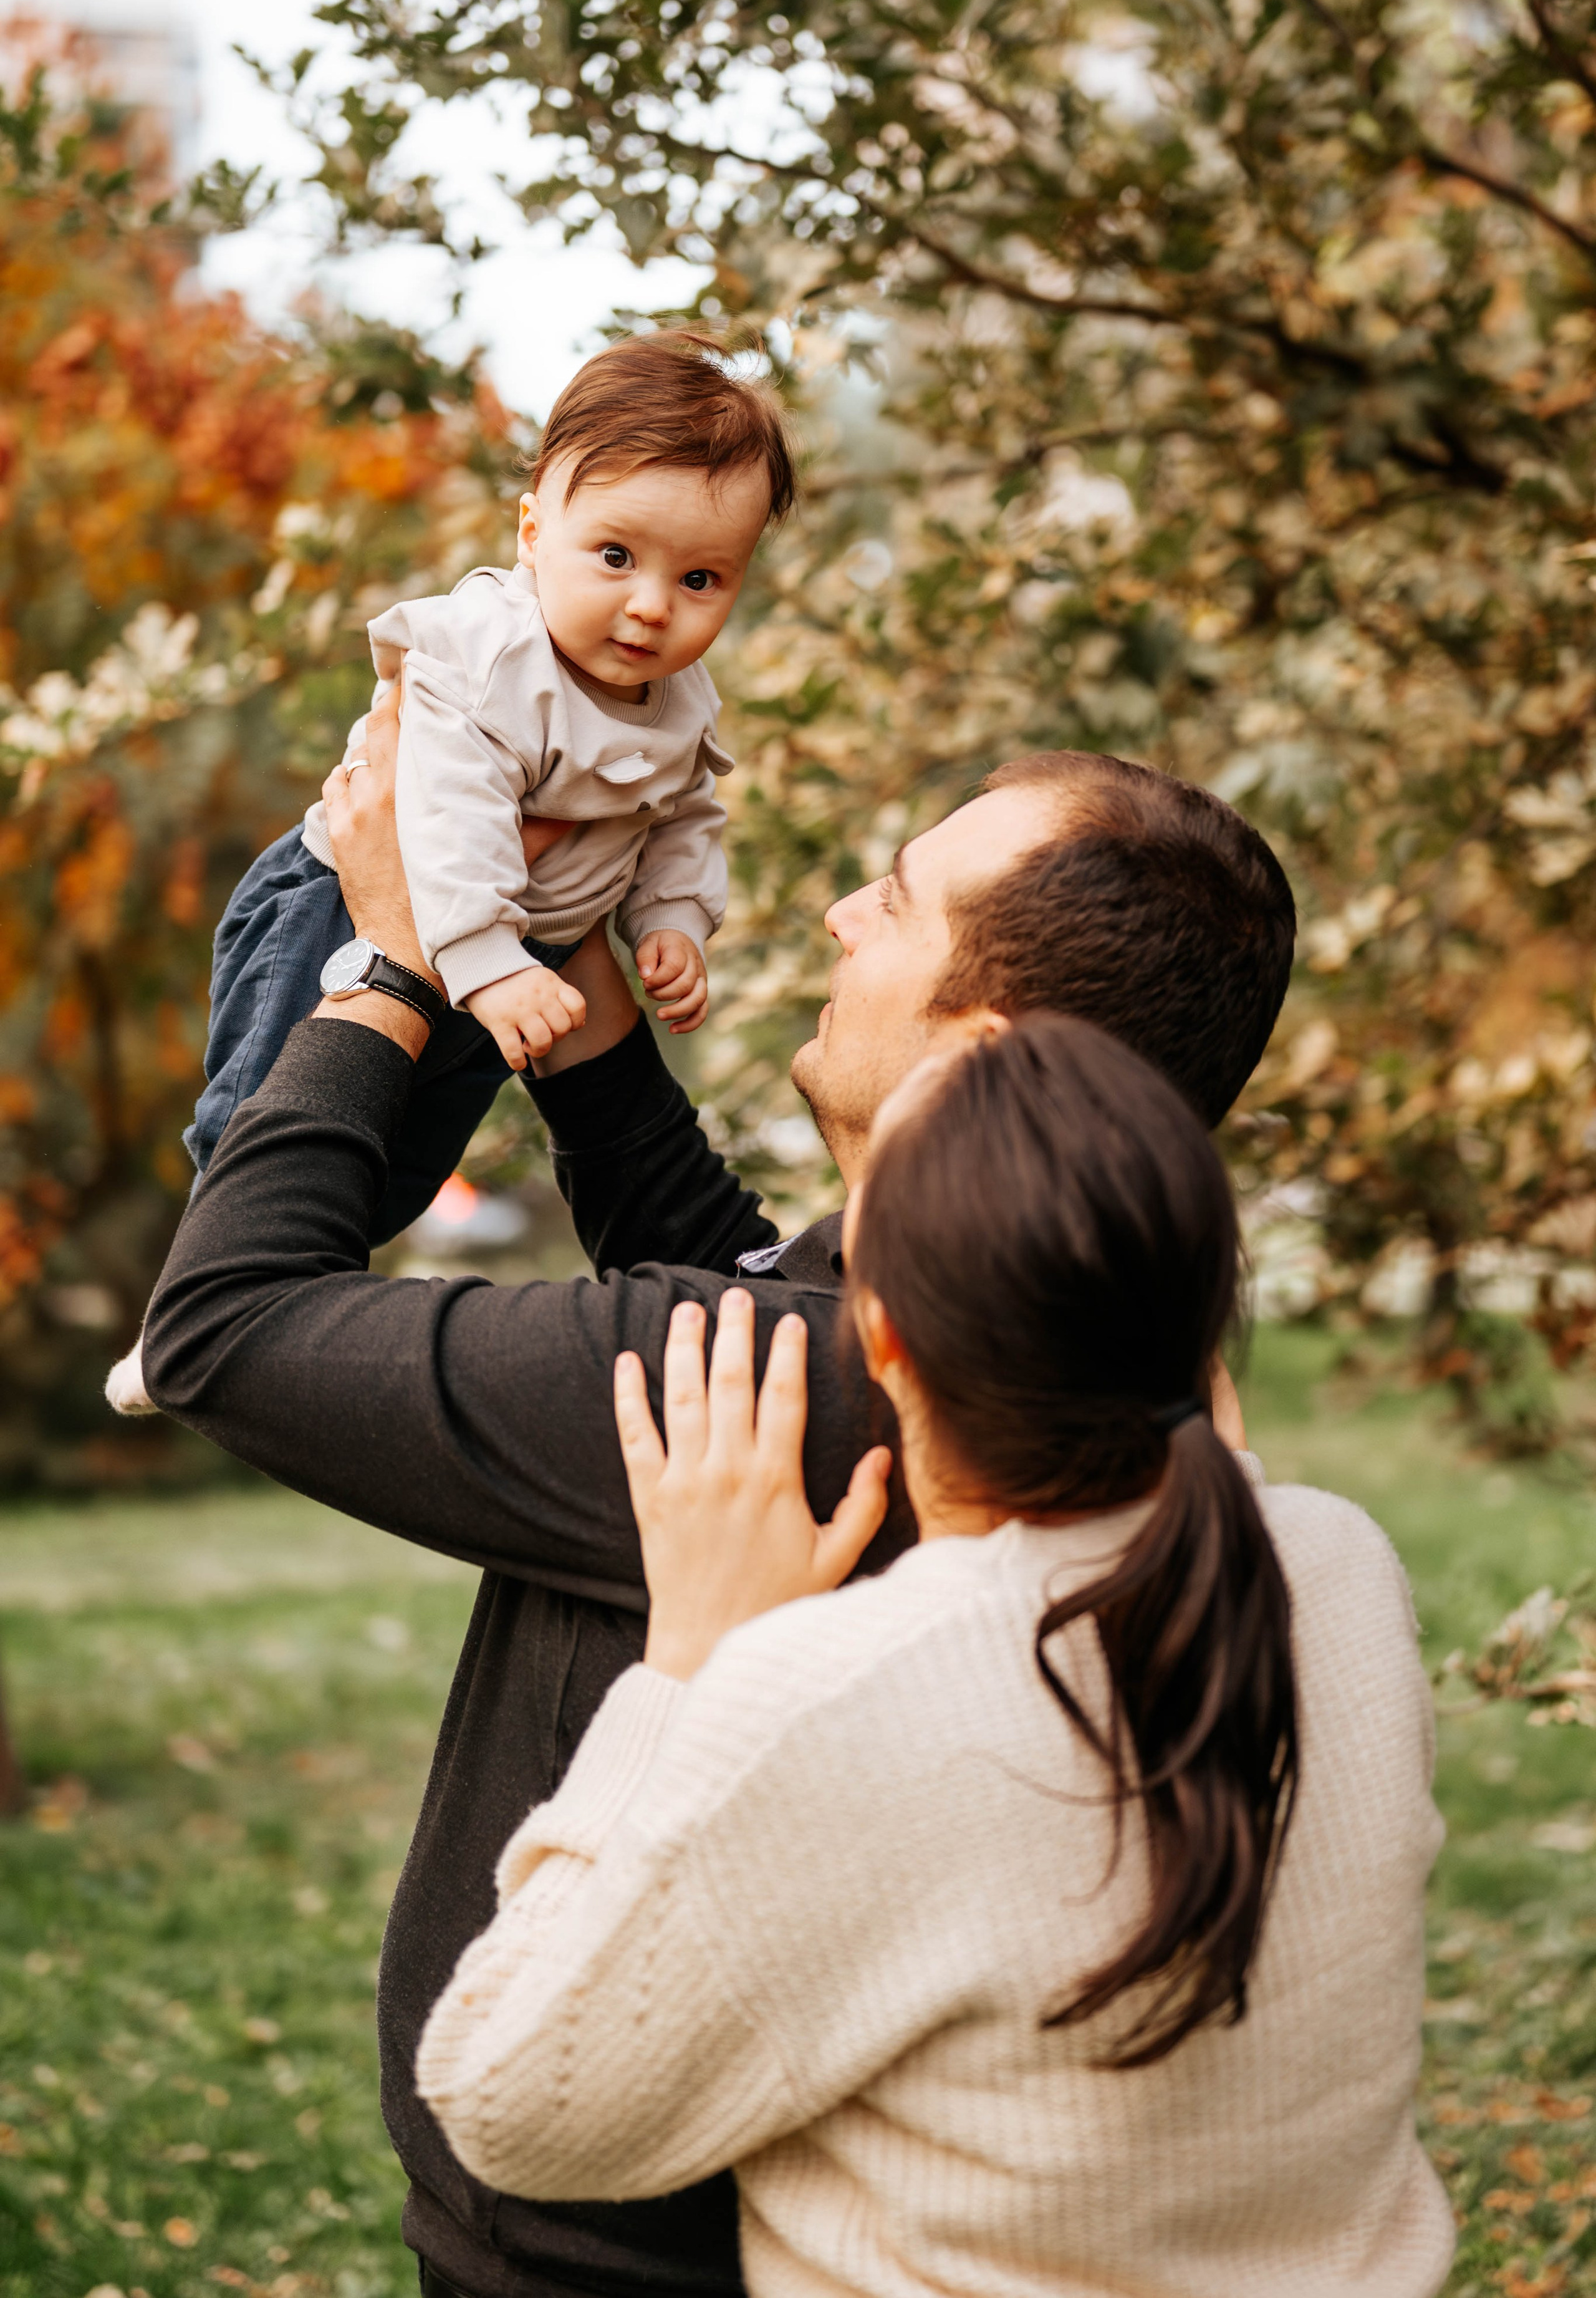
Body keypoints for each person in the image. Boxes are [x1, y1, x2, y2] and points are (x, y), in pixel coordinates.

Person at [139, 698, 1297, 2298]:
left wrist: (395, 967)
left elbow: (224, 1334)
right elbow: (740, 1272)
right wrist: (585, 986)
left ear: (984, 1052)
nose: (838, 911)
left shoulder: (783, 1394)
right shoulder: (1103, 1372)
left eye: (892, 901)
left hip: (601, 2259)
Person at [416, 1015, 1454, 2297]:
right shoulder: (1339, 1570)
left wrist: (682, 1671)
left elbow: (510, 2103)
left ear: (882, 1341)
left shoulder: (830, 1688)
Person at [109, 326, 792, 1410]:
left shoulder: (681, 698)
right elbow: (448, 810)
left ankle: (306, 1299)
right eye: (616, 557)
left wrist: (672, 920)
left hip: (518, 961)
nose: (654, 604)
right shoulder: (493, 650)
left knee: (398, 1166)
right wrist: (481, 955)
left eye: (701, 577)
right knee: (270, 1115)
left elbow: (687, 812)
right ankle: (197, 1292)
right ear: (534, 532)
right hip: (349, 905)